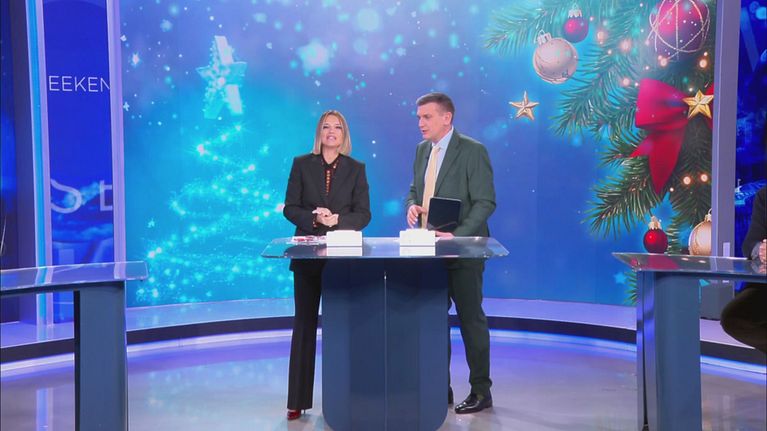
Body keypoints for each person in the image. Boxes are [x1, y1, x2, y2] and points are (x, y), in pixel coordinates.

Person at [405, 92, 496, 414]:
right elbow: (416, 189)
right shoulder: (422, 150)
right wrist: (412, 206)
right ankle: (437, 387)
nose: (420, 123)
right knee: (432, 319)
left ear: (447, 118)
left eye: (427, 117)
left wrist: (457, 236)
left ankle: (481, 391)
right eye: (419, 117)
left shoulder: (472, 150)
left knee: (471, 320)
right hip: (429, 252)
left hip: (464, 252)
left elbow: (485, 202)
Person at [282, 110, 371, 420]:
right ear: (319, 133)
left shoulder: (356, 168)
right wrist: (313, 218)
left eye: (337, 128)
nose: (331, 132)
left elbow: (364, 214)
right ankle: (297, 400)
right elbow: (290, 208)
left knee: (344, 328)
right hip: (307, 258)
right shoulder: (301, 164)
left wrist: (338, 221)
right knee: (304, 325)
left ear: (344, 134)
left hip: (341, 257)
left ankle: (347, 396)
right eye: (326, 127)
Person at [720, 185, 766, 353]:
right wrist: (761, 250)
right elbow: (749, 244)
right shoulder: (764, 196)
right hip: (764, 287)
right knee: (733, 318)